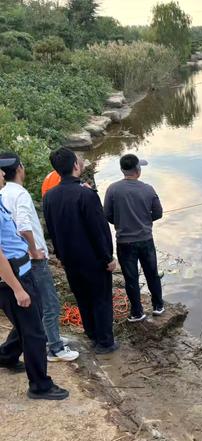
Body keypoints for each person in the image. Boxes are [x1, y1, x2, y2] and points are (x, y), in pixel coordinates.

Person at [0, 156, 68, 400]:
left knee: (28, 322)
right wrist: (18, 288)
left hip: (21, 269)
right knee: (34, 332)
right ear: (20, 168)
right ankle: (40, 385)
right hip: (15, 276)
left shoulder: (2, 198)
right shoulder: (16, 195)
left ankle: (6, 356)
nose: (2, 175)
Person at [43, 148, 118, 354]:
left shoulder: (49, 196)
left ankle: (92, 334)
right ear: (76, 166)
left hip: (69, 259)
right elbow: (99, 230)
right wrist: (108, 257)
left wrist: (59, 255)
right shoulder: (86, 194)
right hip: (92, 259)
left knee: (83, 298)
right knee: (101, 298)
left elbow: (51, 230)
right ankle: (105, 342)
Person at [104, 154, 164, 323]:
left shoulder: (112, 189)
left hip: (124, 242)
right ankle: (158, 306)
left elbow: (107, 214)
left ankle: (137, 312)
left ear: (123, 170)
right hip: (146, 240)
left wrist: (122, 222)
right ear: (138, 170)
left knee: (131, 278)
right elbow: (158, 213)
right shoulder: (148, 189)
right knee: (152, 273)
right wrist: (145, 221)